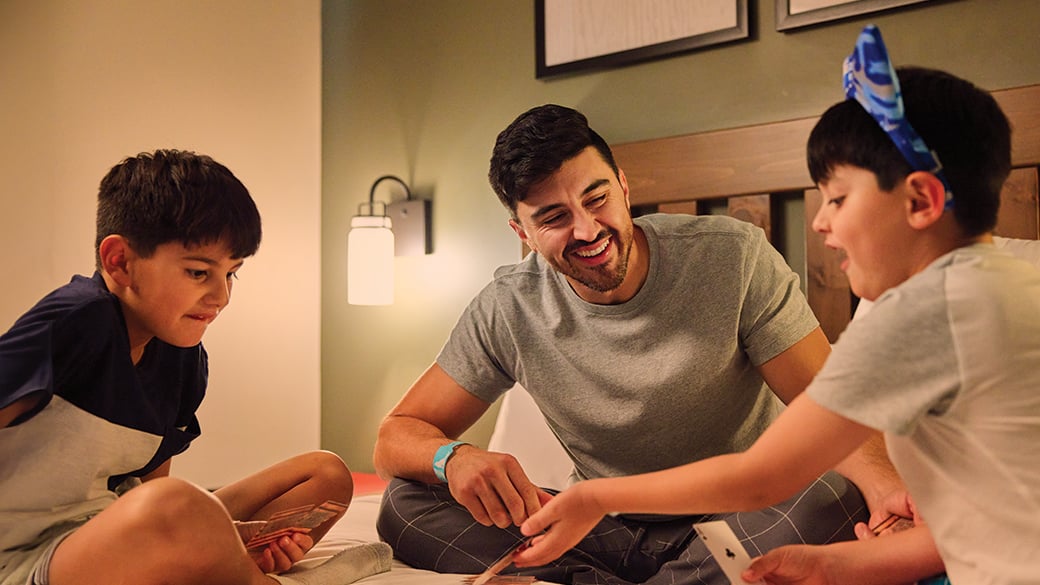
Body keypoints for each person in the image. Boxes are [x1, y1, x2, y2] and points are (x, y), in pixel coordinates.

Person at [516, 26, 1038, 585]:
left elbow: (761, 479)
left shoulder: (920, 313)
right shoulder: (1013, 288)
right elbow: (992, 521)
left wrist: (597, 496)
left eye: (837, 198)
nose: (821, 221)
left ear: (920, 200)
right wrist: (834, 563)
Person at [372, 91, 917, 583]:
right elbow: (395, 436)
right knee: (403, 503)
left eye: (597, 197)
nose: (587, 230)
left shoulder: (733, 258)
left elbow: (831, 410)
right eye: (555, 217)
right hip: (600, 525)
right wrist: (454, 458)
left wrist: (888, 492)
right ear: (523, 233)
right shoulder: (509, 306)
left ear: (624, 186)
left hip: (744, 515)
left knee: (831, 494)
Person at [0, 150, 389, 585]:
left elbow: (144, 493)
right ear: (120, 262)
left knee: (327, 474)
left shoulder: (182, 356)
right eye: (199, 273)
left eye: (232, 274)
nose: (221, 296)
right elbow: (161, 506)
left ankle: (235, 562)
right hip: (27, 562)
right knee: (178, 505)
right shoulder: (74, 321)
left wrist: (220, 535)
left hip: (108, 530)